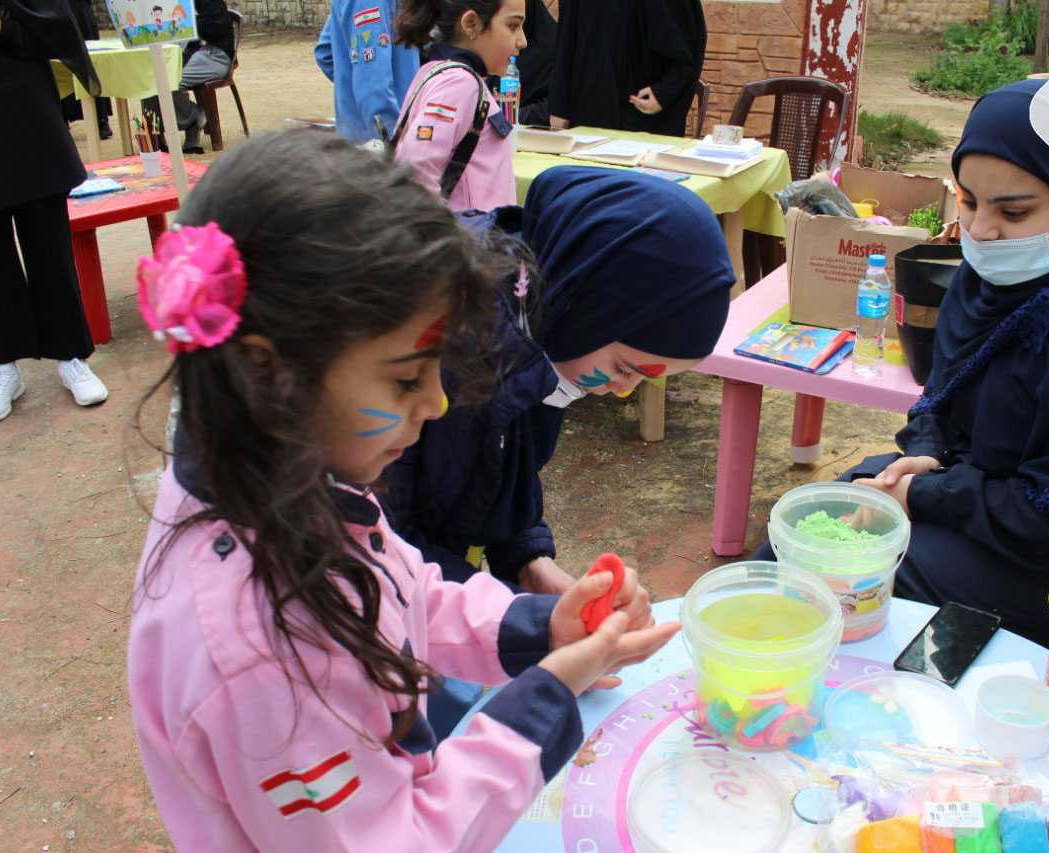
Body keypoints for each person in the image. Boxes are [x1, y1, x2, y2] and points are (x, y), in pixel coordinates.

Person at [127, 131, 677, 848]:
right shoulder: (265, 656)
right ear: (269, 372)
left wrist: (537, 628)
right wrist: (545, 697)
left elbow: (402, 587)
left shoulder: (283, 476)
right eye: (405, 378)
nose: (437, 404)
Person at [754, 80, 1049, 645]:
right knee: (800, 535)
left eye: (1014, 211)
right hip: (978, 498)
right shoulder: (993, 280)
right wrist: (927, 453)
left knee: (847, 582)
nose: (981, 231)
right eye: (969, 201)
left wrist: (924, 495)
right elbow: (943, 399)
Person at [381, 166, 733, 595]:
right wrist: (514, 616)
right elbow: (379, 551)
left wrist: (527, 559)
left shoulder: (538, 328)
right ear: (587, 309)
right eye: (625, 368)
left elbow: (502, 462)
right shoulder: (437, 350)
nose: (622, 390)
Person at [0, 0, 109, 424]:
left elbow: (62, 32)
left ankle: (70, 355)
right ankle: (5, 364)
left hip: (28, 120)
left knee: (48, 246)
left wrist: (5, 31)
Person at [392, 0, 525, 211]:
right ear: (471, 24)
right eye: (513, 26)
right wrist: (441, 230)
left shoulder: (441, 73)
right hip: (467, 229)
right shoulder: (458, 83)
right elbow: (416, 172)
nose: (522, 41)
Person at [548, 0, 705, 137]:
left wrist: (665, 91)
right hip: (587, 109)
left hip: (641, 115)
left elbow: (689, 40)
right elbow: (565, 38)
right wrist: (559, 106)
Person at [313, 0, 421, 147]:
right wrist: (392, 140)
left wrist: (351, 90)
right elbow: (373, 86)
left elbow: (325, 52)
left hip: (359, 138)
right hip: (381, 145)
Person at [144, 0, 233, 154]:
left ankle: (193, 118)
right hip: (189, 52)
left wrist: (185, 21)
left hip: (215, 55)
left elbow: (215, 28)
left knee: (171, 82)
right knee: (151, 77)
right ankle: (155, 132)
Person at [60, 0, 111, 139]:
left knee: (90, 61)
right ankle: (61, 118)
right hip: (53, 9)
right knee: (57, 64)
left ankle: (100, 119)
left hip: (79, 10)